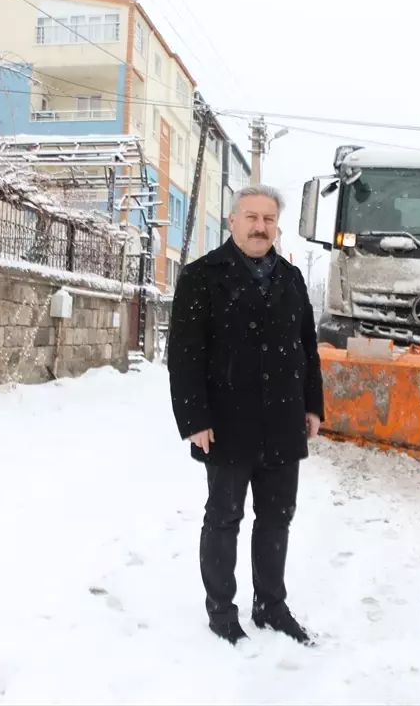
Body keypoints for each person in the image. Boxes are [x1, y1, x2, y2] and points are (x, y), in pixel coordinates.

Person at [166, 184, 324, 647]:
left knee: (277, 518)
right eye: (251, 217)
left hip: (283, 421)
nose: (260, 227)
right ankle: (221, 610)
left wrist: (312, 405)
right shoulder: (202, 276)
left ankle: (271, 605)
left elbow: (307, 348)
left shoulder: (291, 278)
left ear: (277, 226)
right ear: (232, 221)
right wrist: (195, 419)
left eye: (268, 219)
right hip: (226, 424)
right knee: (224, 517)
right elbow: (185, 356)